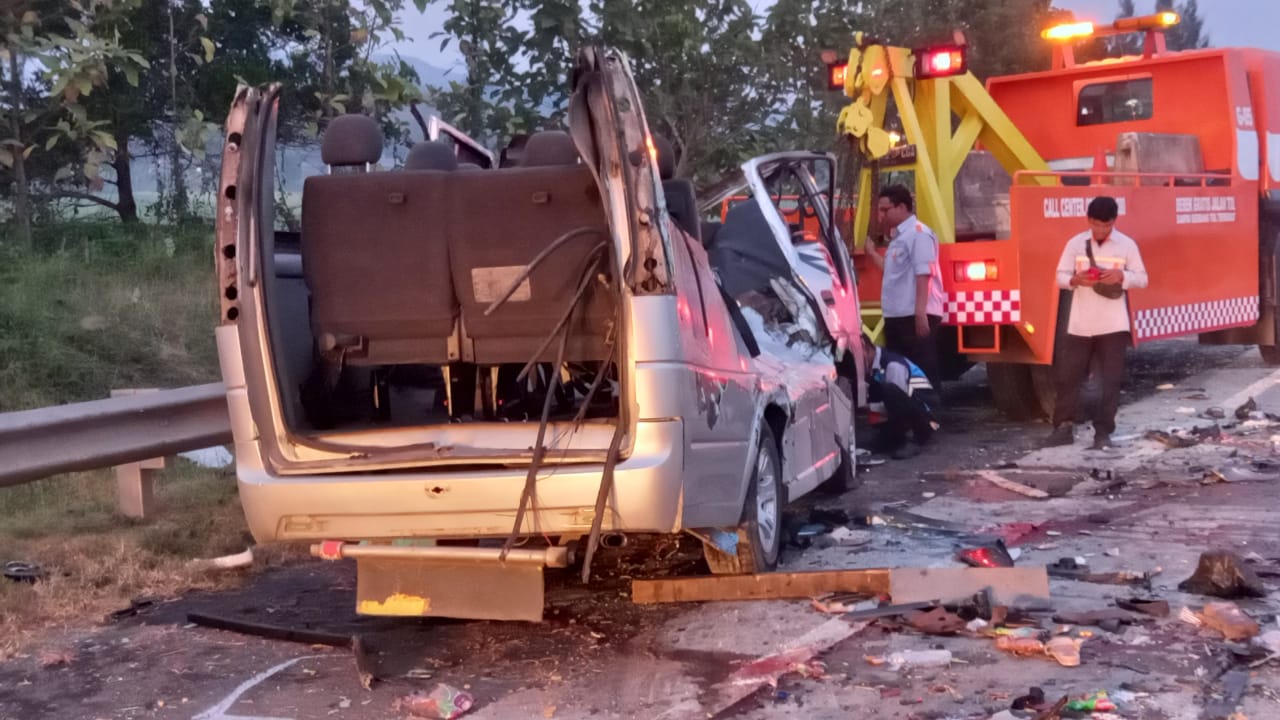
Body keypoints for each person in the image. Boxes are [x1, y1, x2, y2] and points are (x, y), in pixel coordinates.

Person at [1042, 196, 1148, 450]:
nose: (1101, 230)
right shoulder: (1075, 243)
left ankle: (1103, 431)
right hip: (1080, 322)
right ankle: (1063, 427)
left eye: (1106, 226)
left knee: (1110, 380)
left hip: (1113, 323)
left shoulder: (1126, 245)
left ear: (1114, 221)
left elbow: (1142, 279)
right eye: (1096, 225)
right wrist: (1076, 280)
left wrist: (1122, 276)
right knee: (1068, 377)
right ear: (1088, 220)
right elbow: (1060, 277)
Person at [863, 184, 946, 391]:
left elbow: (923, 274)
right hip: (898, 315)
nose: (881, 216)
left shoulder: (918, 234)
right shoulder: (899, 237)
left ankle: (929, 416)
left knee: (922, 369)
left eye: (885, 210)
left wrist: (920, 313)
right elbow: (894, 272)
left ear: (901, 207)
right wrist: (873, 255)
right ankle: (906, 416)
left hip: (913, 315)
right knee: (899, 370)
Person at [862, 335, 940, 459]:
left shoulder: (893, 365)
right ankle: (893, 437)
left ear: (865, 349)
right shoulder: (874, 366)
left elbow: (897, 402)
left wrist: (867, 408)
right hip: (910, 408)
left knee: (889, 390)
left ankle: (911, 438)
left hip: (925, 415)